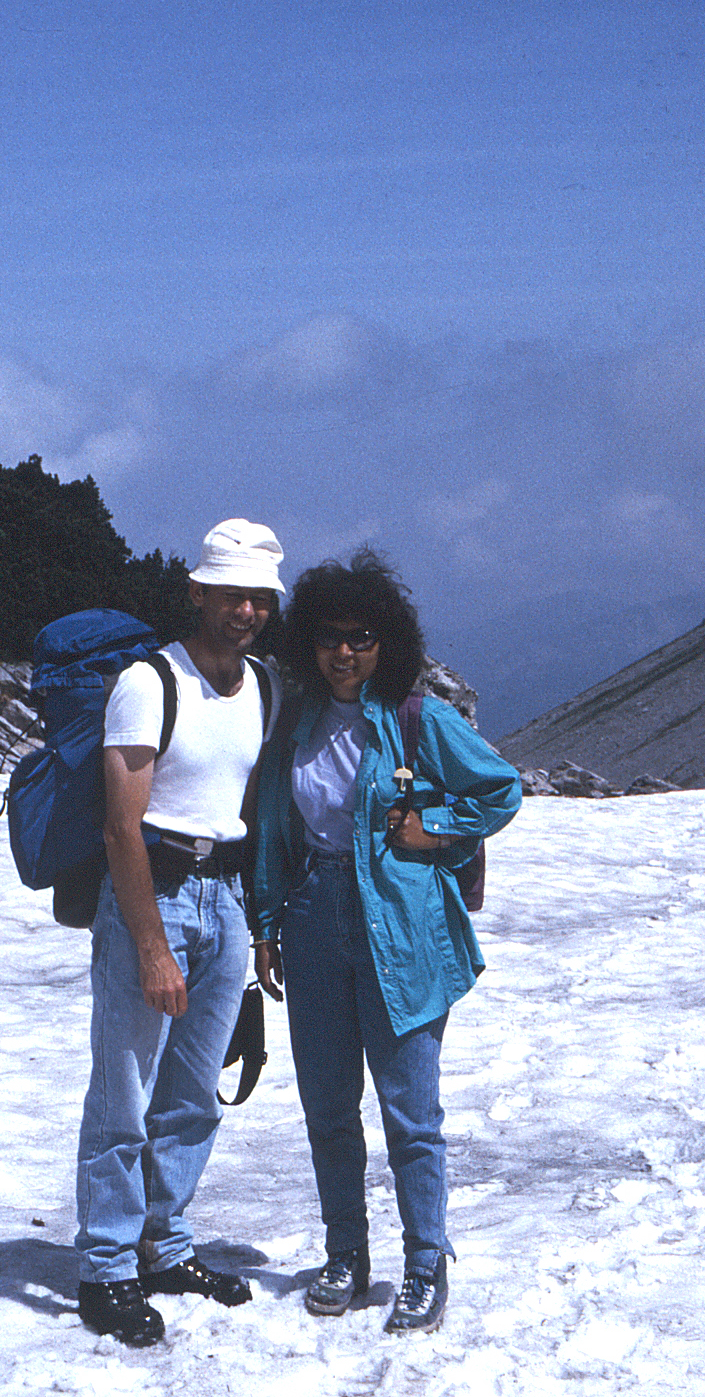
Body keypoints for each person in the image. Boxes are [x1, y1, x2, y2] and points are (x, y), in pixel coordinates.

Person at [251, 551, 521, 1334]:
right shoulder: (294, 721)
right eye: (331, 637)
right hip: (312, 919)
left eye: (362, 637)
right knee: (329, 1105)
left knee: (410, 1112)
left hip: (401, 927)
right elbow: (274, 828)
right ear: (308, 641)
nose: (344, 651)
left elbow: (499, 788)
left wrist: (434, 827)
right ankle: (347, 1252)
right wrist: (266, 924)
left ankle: (425, 1261)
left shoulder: (414, 716)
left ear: (386, 643)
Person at [75, 519, 284, 1347]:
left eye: (258, 598)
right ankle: (105, 1267)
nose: (244, 611)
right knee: (125, 1091)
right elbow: (123, 828)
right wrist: (152, 944)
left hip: (225, 895)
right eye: (230, 595)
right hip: (153, 895)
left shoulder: (262, 686)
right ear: (196, 592)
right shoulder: (148, 683)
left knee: (195, 1090)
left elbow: (253, 810)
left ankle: (165, 1245)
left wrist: (256, 924)